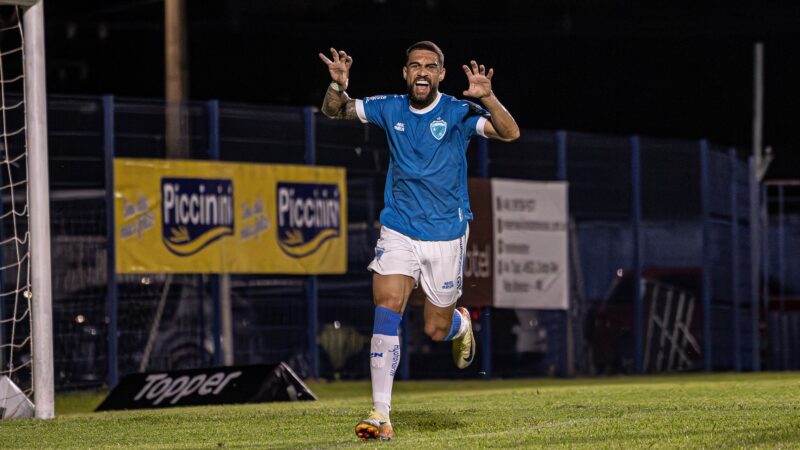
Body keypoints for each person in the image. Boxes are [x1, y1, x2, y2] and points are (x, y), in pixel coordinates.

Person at [318, 41, 520, 441]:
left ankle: (459, 324)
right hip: (399, 228)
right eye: (415, 65)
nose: (422, 72)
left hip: (446, 235)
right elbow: (334, 110)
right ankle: (380, 413)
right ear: (406, 73)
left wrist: (488, 97)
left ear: (441, 74)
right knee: (387, 306)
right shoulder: (389, 107)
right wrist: (338, 86)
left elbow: (510, 133)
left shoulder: (458, 112)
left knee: (434, 329)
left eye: (430, 66)